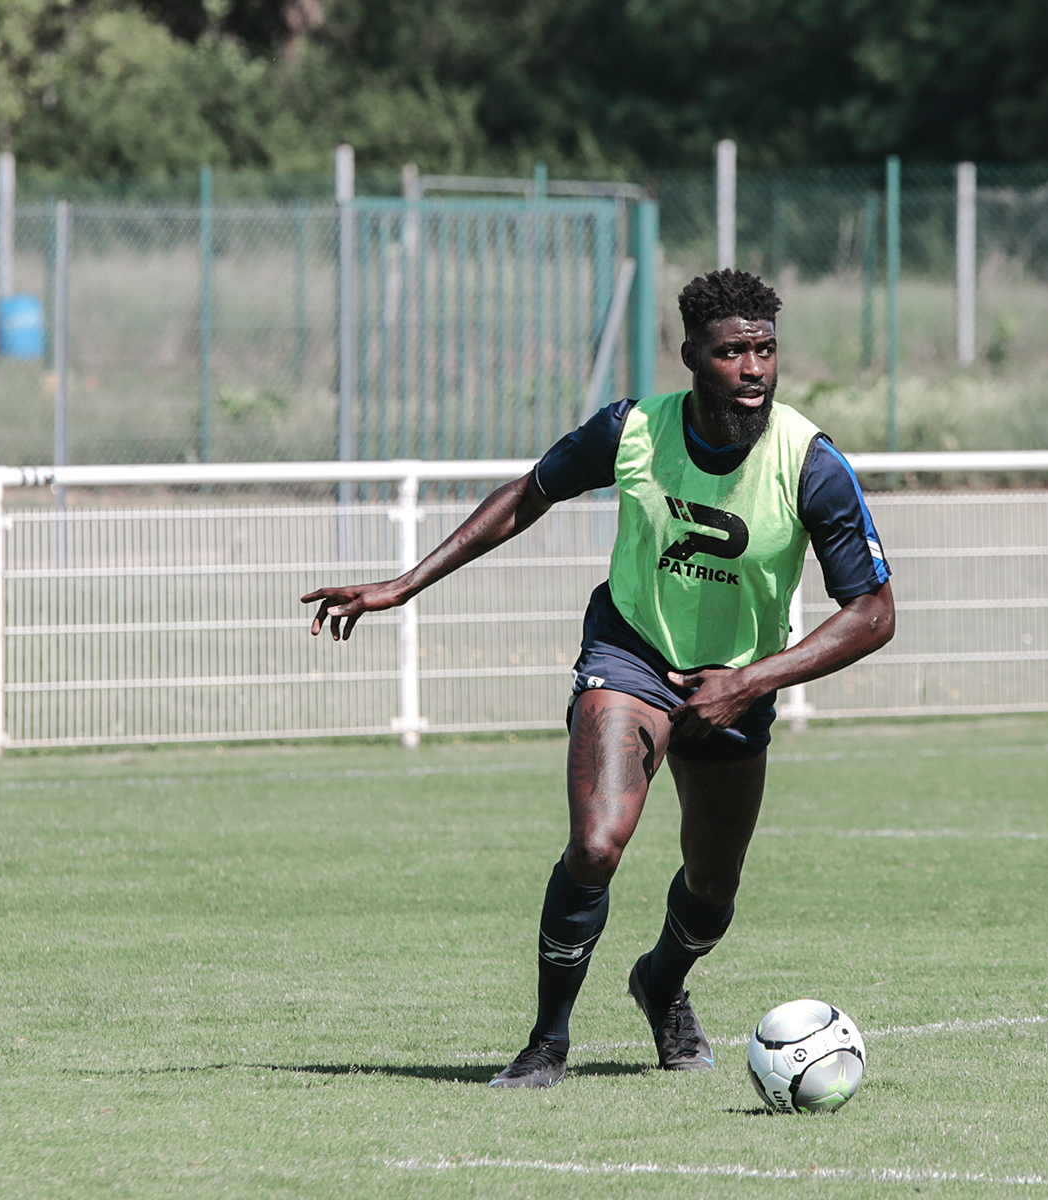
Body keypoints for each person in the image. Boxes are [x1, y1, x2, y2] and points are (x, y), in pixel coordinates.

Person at [302, 268, 895, 1088]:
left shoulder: (810, 462)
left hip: (738, 683)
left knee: (712, 888)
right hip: (630, 654)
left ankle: (661, 984)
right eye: (731, 352)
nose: (753, 369)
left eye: (765, 350)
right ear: (691, 357)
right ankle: (546, 1042)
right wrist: (404, 585)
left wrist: (751, 682)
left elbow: (873, 613)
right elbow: (529, 494)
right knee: (596, 843)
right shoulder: (633, 431)